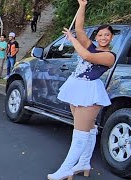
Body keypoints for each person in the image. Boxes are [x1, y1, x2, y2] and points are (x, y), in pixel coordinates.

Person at [47, 1, 116, 180]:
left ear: (111, 38)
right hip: (76, 87)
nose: (103, 37)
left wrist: (72, 40)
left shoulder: (109, 56)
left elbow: (86, 56)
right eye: (100, 34)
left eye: (107, 35)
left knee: (80, 133)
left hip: (90, 91)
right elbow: (79, 27)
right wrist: (82, 5)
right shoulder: (90, 44)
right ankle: (84, 162)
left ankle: (66, 169)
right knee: (89, 127)